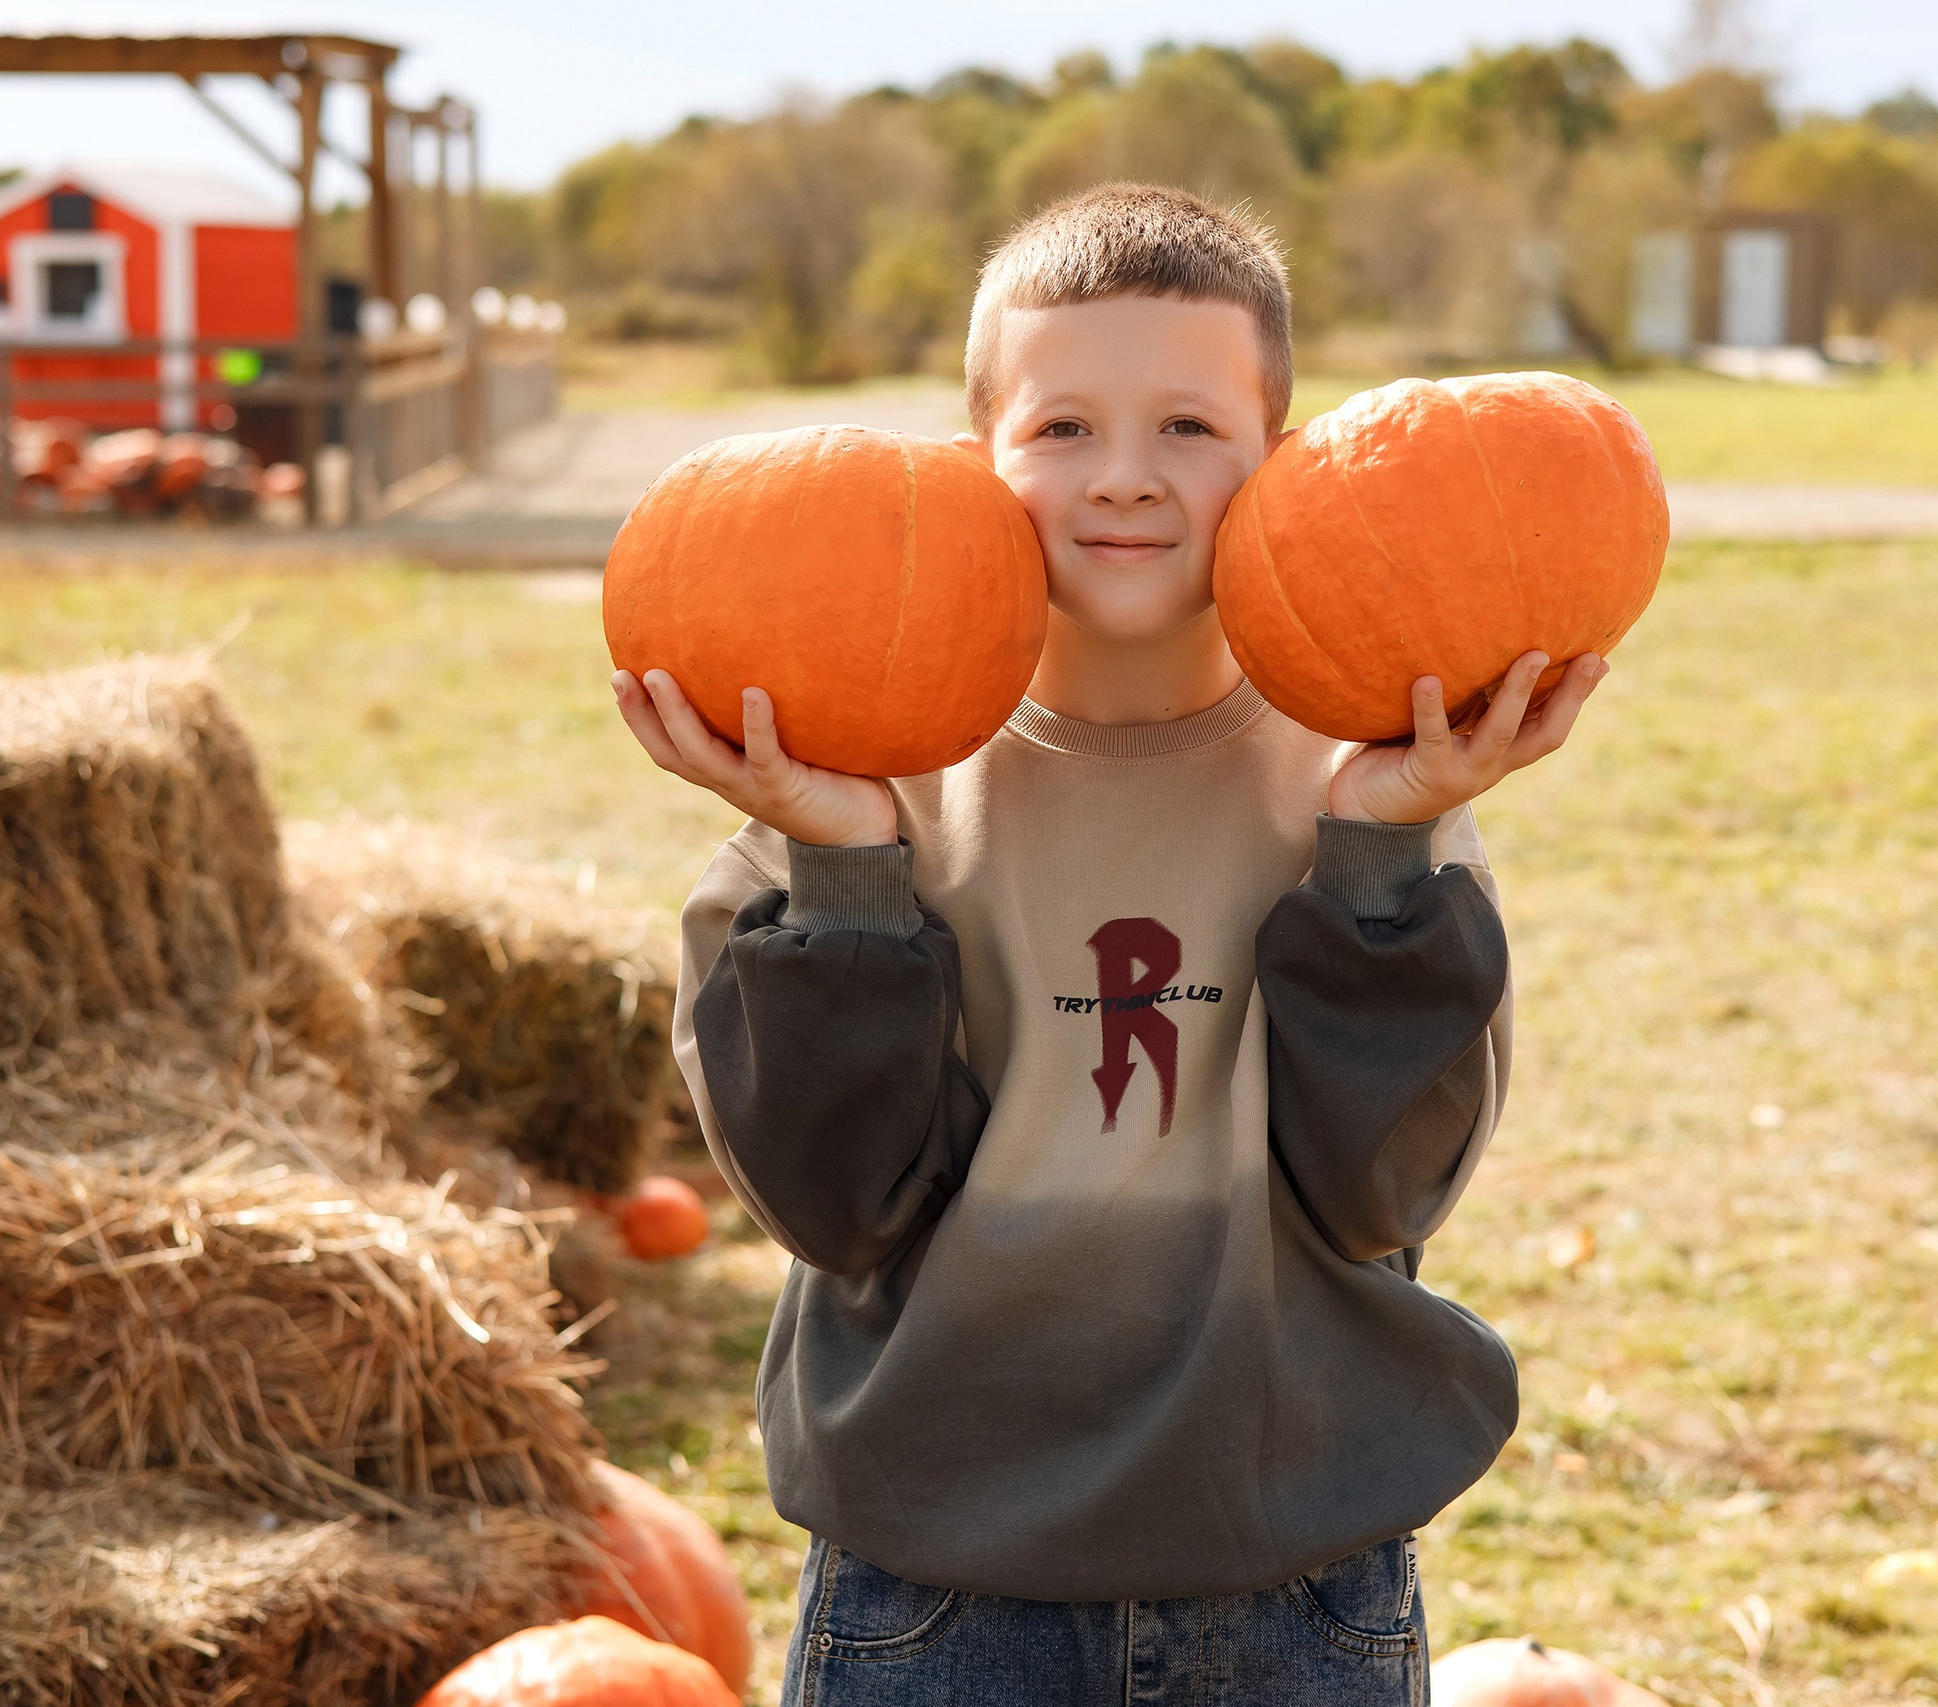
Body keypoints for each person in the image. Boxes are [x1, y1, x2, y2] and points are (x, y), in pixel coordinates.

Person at [611, 182, 1607, 1707]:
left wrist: (1385, 855)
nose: (1126, 479)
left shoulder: (1360, 791)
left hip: (1295, 1590)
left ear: (1284, 460)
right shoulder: (856, 802)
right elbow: (839, 1207)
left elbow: (1381, 1193)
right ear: (972, 465)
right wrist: (843, 871)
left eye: (1190, 430)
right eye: (1063, 429)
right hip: (934, 1592)